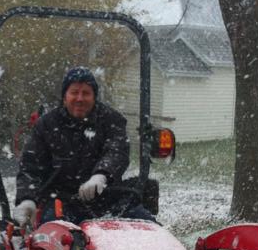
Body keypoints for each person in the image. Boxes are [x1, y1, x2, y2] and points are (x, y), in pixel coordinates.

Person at [14, 66, 154, 226]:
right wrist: (27, 199)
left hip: (107, 197)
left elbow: (117, 151)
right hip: (61, 201)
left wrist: (101, 175)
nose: (80, 98)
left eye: (86, 93)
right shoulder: (46, 125)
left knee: (146, 225)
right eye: (74, 92)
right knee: (53, 236)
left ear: (94, 97)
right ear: (65, 97)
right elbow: (30, 167)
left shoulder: (111, 120)